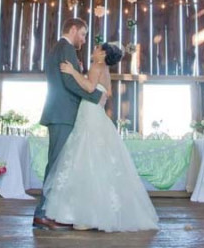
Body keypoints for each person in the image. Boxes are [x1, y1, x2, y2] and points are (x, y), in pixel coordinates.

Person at [45, 43, 159, 232]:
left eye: (97, 47)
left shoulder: (97, 66)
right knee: (95, 160)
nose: (94, 49)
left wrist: (73, 71)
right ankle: (93, 213)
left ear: (103, 53)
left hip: (89, 113)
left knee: (84, 158)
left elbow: (90, 88)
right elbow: (108, 93)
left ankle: (84, 215)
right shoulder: (104, 69)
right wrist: (82, 73)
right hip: (96, 112)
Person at [33, 18, 105, 231]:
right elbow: (69, 82)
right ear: (73, 29)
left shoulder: (60, 48)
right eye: (83, 34)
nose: (83, 39)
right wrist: (95, 97)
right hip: (62, 113)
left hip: (60, 113)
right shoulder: (66, 48)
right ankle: (43, 213)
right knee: (56, 164)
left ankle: (51, 211)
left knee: (59, 164)